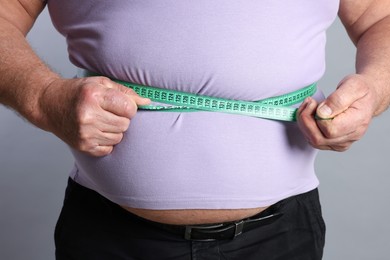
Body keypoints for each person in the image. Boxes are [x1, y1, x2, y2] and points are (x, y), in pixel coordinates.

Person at [1, 0, 389, 259]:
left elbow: (380, 17)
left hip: (280, 238)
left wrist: (373, 88)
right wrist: (44, 96)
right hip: (110, 237)